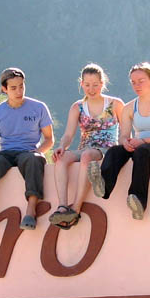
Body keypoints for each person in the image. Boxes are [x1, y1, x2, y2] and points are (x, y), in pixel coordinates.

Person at [87, 62, 150, 220]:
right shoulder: (129, 108)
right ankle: (104, 186)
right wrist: (125, 142)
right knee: (115, 150)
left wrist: (142, 141)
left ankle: (138, 200)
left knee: (142, 151)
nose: (137, 85)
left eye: (141, 81)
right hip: (138, 144)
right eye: (133, 82)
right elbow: (124, 134)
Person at [0, 67, 54, 234]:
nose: (19, 91)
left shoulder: (38, 108)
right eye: (13, 88)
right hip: (5, 153)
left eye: (21, 86)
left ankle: (30, 212)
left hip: (28, 151)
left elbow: (49, 139)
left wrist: (39, 151)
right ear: (4, 89)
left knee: (34, 160)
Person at [49, 64, 124, 229]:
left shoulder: (116, 104)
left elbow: (126, 133)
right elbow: (69, 134)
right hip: (84, 147)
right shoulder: (77, 107)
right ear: (81, 84)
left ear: (102, 83)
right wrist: (62, 146)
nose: (91, 89)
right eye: (87, 85)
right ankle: (62, 206)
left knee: (86, 156)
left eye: (95, 85)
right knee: (62, 159)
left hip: (107, 149)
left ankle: (76, 207)